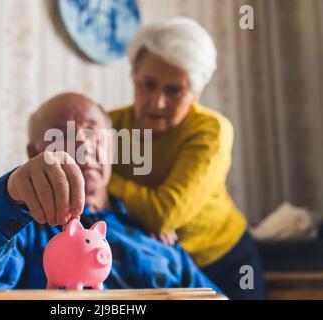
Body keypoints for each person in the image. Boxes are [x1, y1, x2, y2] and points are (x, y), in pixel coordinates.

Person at [0, 93, 220, 293]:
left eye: (92, 132)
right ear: (34, 153)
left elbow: (212, 297)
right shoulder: (25, 229)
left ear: (113, 147)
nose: (82, 142)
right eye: (62, 134)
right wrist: (10, 193)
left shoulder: (153, 232)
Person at [108, 18, 264, 299]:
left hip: (223, 261)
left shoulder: (210, 130)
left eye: (174, 90)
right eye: (148, 84)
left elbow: (164, 213)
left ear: (195, 93)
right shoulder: (109, 125)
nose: (157, 102)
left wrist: (107, 178)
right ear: (133, 76)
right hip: (154, 261)